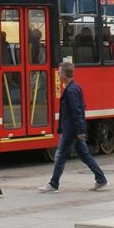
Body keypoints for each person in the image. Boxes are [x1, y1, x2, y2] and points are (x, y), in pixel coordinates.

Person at [39, 61, 107, 193]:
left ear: (64, 74)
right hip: (72, 129)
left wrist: (80, 130)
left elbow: (77, 111)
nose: (58, 74)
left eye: (59, 72)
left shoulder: (71, 90)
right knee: (85, 155)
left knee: (60, 156)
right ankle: (101, 179)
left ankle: (53, 184)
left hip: (71, 130)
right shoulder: (74, 87)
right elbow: (79, 109)